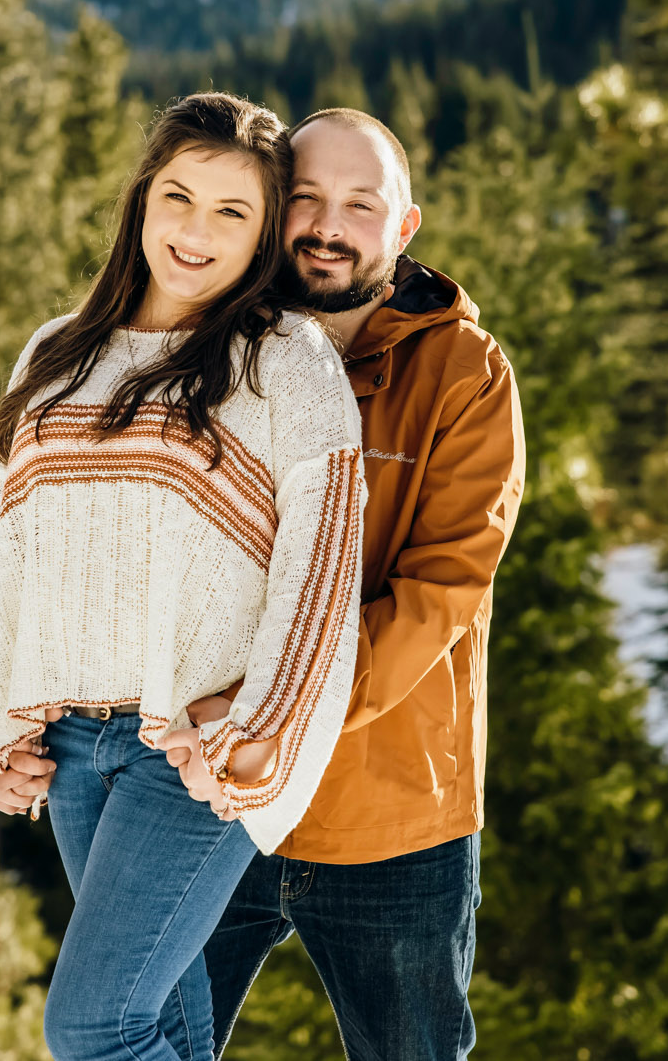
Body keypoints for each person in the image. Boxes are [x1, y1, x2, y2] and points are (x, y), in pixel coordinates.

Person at [0, 93, 367, 1061]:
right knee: (162, 1021)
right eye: (178, 196)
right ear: (140, 200)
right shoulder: (52, 353)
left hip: (192, 753)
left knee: (92, 1022)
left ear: (261, 237)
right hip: (73, 752)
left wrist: (256, 734)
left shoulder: (283, 364)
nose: (195, 231)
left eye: (231, 212)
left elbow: (321, 578)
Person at [178, 108, 526, 1061]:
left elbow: (440, 591)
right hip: (210, 805)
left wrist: (273, 720)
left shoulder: (463, 373)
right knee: (142, 1042)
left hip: (391, 821)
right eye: (305, 198)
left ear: (403, 227)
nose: (328, 225)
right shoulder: (209, 349)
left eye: (360, 205)